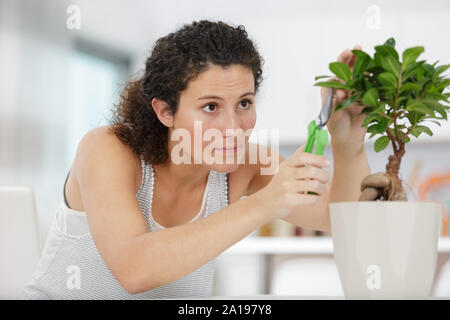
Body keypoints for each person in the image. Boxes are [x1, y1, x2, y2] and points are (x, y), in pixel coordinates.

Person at [23, 20, 370, 299]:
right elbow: (134, 269)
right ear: (165, 110)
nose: (233, 128)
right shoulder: (108, 150)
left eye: (244, 103)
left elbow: (340, 219)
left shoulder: (246, 163)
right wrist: (267, 201)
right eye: (210, 107)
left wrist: (348, 142)